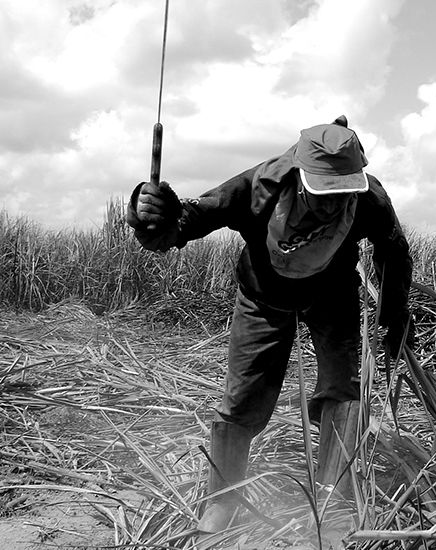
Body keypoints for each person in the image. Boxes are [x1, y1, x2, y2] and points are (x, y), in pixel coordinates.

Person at [125, 115, 414, 533]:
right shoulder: (258, 188)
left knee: (344, 390)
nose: (332, 204)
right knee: (242, 398)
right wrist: (155, 214)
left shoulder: (367, 197)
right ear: (299, 175)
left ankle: (333, 497)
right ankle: (222, 502)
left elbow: (393, 251)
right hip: (264, 295)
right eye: (322, 194)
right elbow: (188, 220)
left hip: (333, 294)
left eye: (341, 193)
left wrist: (394, 315)